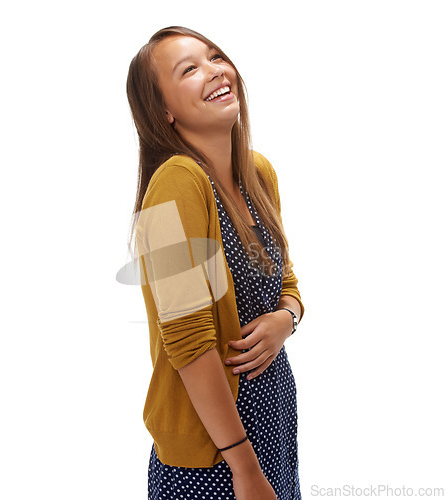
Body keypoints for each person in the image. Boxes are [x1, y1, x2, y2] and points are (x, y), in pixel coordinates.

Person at [126, 26, 305, 500]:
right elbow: (188, 340)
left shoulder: (258, 172)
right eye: (189, 69)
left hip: (273, 426)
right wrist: (245, 468)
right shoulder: (174, 186)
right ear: (163, 111)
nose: (214, 70)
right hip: (216, 455)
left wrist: (288, 318)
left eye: (214, 56)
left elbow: (284, 278)